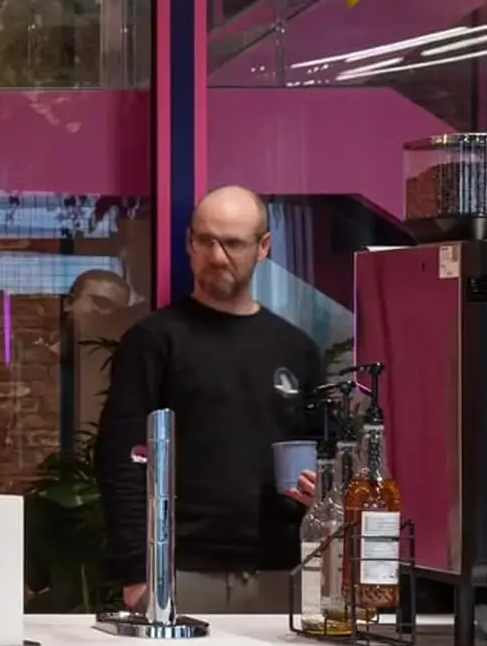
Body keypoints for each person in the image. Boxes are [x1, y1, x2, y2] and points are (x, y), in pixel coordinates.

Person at [97, 187, 325, 617]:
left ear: (263, 247)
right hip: (178, 572)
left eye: (234, 243)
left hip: (281, 573)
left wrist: (321, 487)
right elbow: (121, 459)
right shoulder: (153, 342)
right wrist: (135, 574)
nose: (218, 256)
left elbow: (323, 457)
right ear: (189, 243)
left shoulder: (298, 351)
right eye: (206, 241)